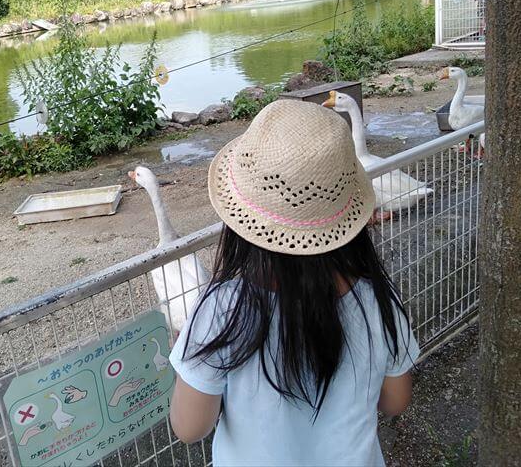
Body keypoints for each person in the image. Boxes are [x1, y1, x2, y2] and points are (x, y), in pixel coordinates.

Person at [168, 100, 419, 466]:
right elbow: (395, 401)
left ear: (243, 222)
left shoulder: (223, 309)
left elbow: (189, 428)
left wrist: (192, 357)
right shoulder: (377, 299)